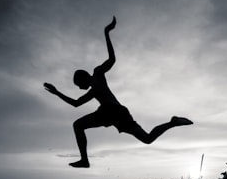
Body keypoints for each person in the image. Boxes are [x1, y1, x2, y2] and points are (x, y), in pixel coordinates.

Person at [44, 16, 193, 168]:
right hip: (120, 113)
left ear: (82, 78)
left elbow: (112, 59)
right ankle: (172, 122)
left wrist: (106, 33)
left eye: (77, 84)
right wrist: (57, 92)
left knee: (77, 125)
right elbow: (76, 103)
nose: (78, 87)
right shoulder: (94, 90)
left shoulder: (97, 73)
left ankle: (85, 160)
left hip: (110, 111)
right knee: (147, 139)